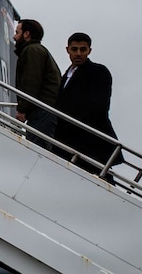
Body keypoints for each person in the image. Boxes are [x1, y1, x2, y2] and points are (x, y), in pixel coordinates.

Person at [53, 32, 117, 173]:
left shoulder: (98, 71)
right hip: (68, 138)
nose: (78, 53)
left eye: (83, 49)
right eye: (74, 49)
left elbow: (100, 106)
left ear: (89, 51)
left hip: (90, 141)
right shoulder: (67, 75)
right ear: (67, 50)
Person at [13, 19, 61, 136]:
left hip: (42, 110)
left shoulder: (32, 50)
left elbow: (31, 82)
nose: (14, 37)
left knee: (37, 149)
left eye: (17, 32)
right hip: (44, 110)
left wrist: (23, 109)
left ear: (26, 34)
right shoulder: (38, 50)